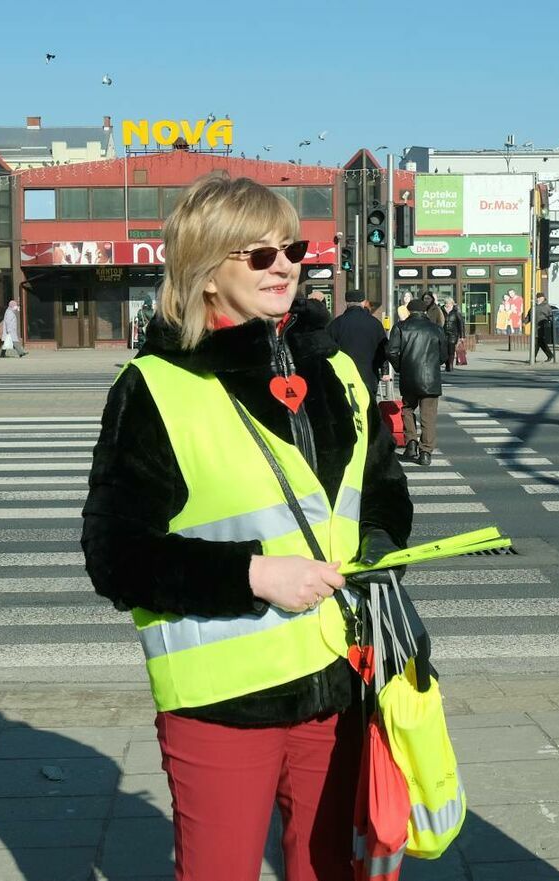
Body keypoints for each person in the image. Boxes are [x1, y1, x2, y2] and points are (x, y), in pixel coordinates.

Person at [80, 172, 413, 881]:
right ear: (205, 270)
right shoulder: (156, 387)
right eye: (258, 255)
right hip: (223, 699)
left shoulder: (339, 374)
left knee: (328, 870)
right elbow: (116, 555)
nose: (286, 264)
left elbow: (383, 496)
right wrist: (255, 574)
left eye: (291, 248)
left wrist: (383, 552)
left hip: (339, 678)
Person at [387, 297, 448, 466]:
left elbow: (391, 352)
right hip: (431, 379)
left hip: (409, 377)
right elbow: (444, 355)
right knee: (428, 415)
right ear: (425, 311)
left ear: (409, 311)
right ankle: (426, 452)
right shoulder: (436, 329)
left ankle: (411, 443)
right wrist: (435, 365)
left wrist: (400, 367)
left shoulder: (400, 327)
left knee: (407, 409)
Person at [327, 289, 388, 397]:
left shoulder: (336, 324)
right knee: (369, 410)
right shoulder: (375, 324)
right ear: (364, 302)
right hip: (369, 377)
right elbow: (383, 350)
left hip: (343, 377)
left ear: (346, 302)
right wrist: (384, 371)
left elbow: (328, 350)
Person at [526, 293, 555, 362]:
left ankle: (533, 358)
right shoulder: (533, 306)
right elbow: (529, 316)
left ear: (542, 298)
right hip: (534, 328)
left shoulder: (546, 306)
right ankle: (550, 355)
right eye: (536, 298)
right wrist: (524, 322)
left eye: (538, 298)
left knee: (537, 343)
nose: (537, 299)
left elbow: (550, 316)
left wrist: (550, 323)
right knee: (541, 343)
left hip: (542, 328)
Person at [441, 297, 465, 371]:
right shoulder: (441, 311)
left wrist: (462, 336)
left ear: (452, 303)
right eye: (446, 303)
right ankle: (447, 364)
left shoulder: (456, 312)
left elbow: (461, 324)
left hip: (453, 334)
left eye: (449, 303)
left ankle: (450, 365)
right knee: (444, 350)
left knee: (451, 350)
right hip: (443, 333)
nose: (448, 305)